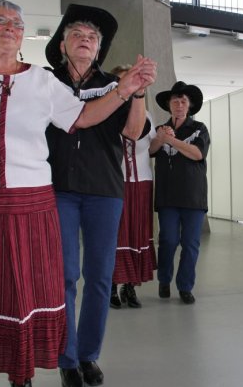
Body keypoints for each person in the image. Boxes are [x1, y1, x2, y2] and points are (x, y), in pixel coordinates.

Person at [0, 0, 155, 387]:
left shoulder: (54, 82)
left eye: (17, 23)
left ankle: (56, 362)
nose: (9, 27)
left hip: (59, 193)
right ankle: (0, 366)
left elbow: (98, 121)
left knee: (48, 281)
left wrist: (127, 90)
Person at [43, 5, 155, 387]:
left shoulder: (112, 83)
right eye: (77, 34)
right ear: (63, 44)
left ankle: (89, 355)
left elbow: (134, 132)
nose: (85, 40)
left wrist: (137, 92)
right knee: (64, 276)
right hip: (56, 189)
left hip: (105, 190)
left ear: (99, 49)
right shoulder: (44, 82)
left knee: (100, 277)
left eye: (92, 38)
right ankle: (67, 358)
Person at [149, 81, 210, 304]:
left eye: (183, 101)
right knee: (168, 240)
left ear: (189, 105)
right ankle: (164, 280)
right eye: (175, 101)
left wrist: (171, 140)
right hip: (167, 197)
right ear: (169, 105)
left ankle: (185, 286)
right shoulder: (159, 130)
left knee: (191, 243)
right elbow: (151, 151)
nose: (179, 104)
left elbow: (197, 154)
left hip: (193, 196)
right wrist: (160, 138)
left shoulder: (199, 129)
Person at [108, 65, 157, 309]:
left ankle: (130, 286)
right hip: (116, 181)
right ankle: (111, 287)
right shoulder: (108, 112)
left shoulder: (147, 115)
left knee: (138, 232)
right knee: (116, 234)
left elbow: (150, 147)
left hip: (142, 182)